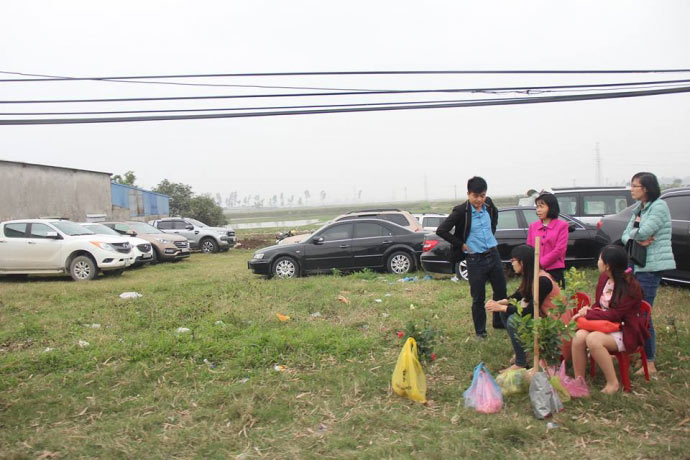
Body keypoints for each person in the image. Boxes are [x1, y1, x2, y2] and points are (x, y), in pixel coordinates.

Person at [571, 245, 649, 393]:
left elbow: (615, 315)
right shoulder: (604, 279)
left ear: (608, 266)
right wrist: (590, 310)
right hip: (605, 324)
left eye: (600, 259)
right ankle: (578, 381)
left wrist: (588, 313)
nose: (598, 261)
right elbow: (599, 304)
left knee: (593, 339)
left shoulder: (630, 287)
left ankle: (612, 383)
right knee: (578, 336)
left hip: (624, 329)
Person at [437, 176, 507, 338]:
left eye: (482, 195)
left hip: (493, 254)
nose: (479, 199)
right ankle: (480, 332)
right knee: (478, 297)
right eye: (475, 196)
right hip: (475, 259)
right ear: (468, 194)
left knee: (501, 291)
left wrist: (490, 234)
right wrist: (461, 244)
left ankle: (498, 322)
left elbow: (494, 219)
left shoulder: (489, 205)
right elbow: (442, 230)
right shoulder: (461, 211)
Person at [622, 172, 675, 375]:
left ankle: (649, 361)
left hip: (650, 267)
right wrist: (635, 238)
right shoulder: (640, 208)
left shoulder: (659, 207)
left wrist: (636, 236)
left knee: (643, 312)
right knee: (634, 310)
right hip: (636, 264)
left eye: (635, 185)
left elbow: (644, 232)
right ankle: (639, 353)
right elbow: (626, 235)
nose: (632, 189)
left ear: (646, 188)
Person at [485, 245, 559, 372]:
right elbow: (520, 294)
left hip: (553, 325)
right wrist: (505, 301)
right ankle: (522, 353)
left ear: (522, 262)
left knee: (513, 319)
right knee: (506, 313)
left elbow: (529, 311)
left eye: (513, 260)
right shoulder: (532, 276)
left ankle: (521, 362)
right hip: (542, 319)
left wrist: (502, 308)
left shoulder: (542, 281)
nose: (512, 264)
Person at [526, 192, 569, 288]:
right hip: (536, 270)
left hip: (554, 270)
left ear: (551, 207)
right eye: (537, 207)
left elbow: (559, 249)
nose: (538, 210)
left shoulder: (562, 226)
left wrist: (541, 263)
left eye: (542, 207)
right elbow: (529, 248)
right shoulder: (533, 226)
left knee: (556, 299)